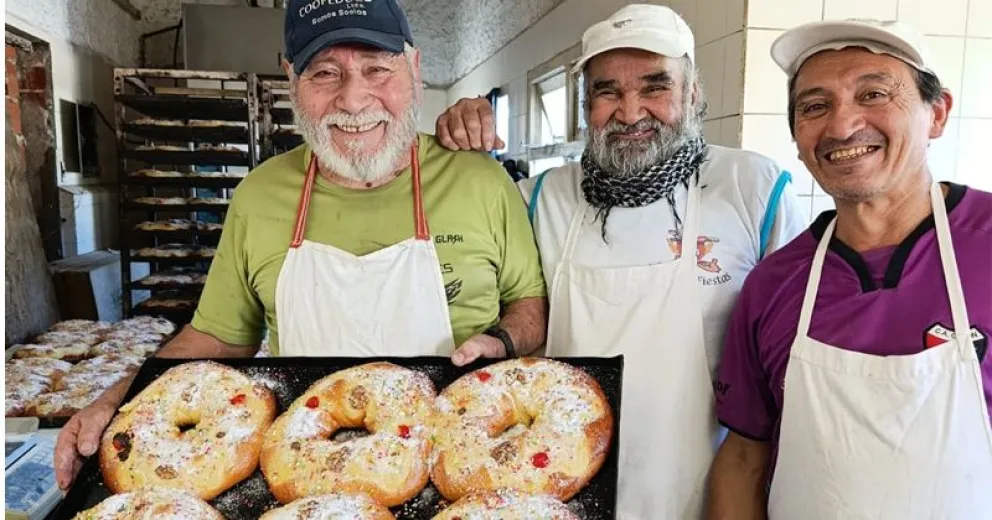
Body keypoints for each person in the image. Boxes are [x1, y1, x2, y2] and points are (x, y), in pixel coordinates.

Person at [54, 0, 548, 491]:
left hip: (465, 461)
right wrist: (118, 398)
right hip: (310, 472)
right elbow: (217, 339)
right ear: (292, 79)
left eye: (377, 68)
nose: (353, 100)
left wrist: (502, 342)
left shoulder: (480, 180)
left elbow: (531, 305)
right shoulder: (259, 195)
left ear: (415, 68)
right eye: (325, 73)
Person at [434, 5, 808, 517]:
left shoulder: (754, 190)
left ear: (693, 92)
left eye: (656, 87)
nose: (630, 113)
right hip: (560, 489)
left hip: (707, 493)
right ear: (586, 105)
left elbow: (789, 366)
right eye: (607, 92)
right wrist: (456, 145)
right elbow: (495, 287)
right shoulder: (540, 198)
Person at [707, 19, 992, 520]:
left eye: (873, 94)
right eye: (815, 106)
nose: (841, 127)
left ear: (937, 113)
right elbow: (744, 460)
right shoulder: (772, 285)